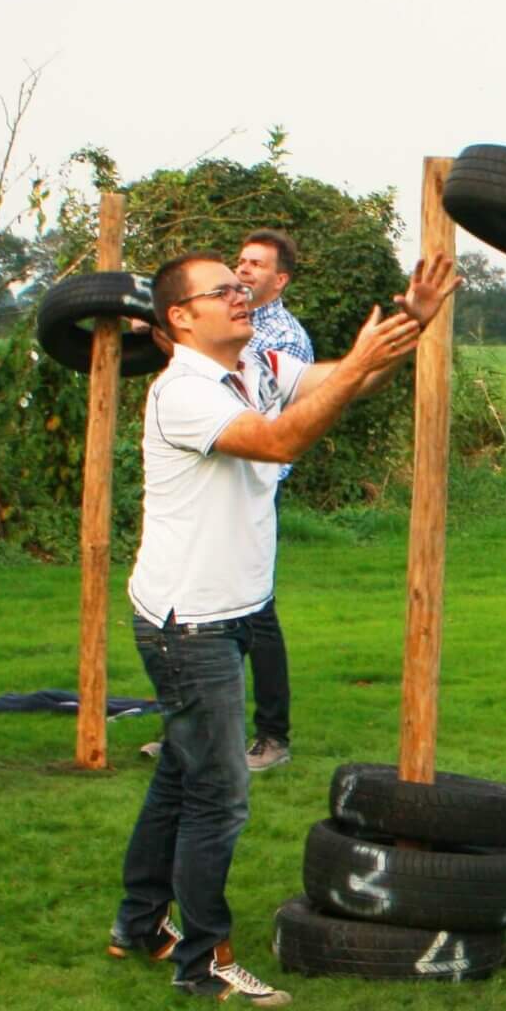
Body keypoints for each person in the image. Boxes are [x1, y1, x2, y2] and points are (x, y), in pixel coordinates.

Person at [109, 252, 457, 1009]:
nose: (242, 297)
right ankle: (202, 961)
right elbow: (277, 442)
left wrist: (408, 324)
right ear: (179, 317)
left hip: (222, 613)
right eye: (223, 292)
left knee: (181, 773)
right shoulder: (184, 392)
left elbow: (344, 381)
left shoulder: (256, 363)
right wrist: (365, 357)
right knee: (219, 796)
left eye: (243, 288)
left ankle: (138, 923)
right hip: (188, 623)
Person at [233, 228, 311, 774]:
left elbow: (277, 414)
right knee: (202, 612)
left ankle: (271, 737)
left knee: (256, 610)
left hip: (255, 486)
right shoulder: (224, 321)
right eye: (240, 261)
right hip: (212, 483)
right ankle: (196, 733)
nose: (244, 271)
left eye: (257, 265)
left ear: (279, 279)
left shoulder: (283, 336)